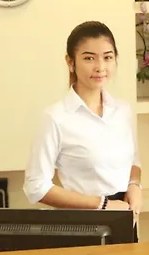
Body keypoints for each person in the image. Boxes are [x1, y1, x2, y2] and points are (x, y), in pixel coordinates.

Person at [23, 21, 142, 241]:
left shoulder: (123, 110)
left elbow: (134, 161)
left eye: (107, 57)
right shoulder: (56, 117)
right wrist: (102, 204)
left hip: (125, 219)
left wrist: (135, 186)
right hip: (82, 225)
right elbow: (35, 186)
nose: (100, 67)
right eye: (89, 58)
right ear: (70, 62)